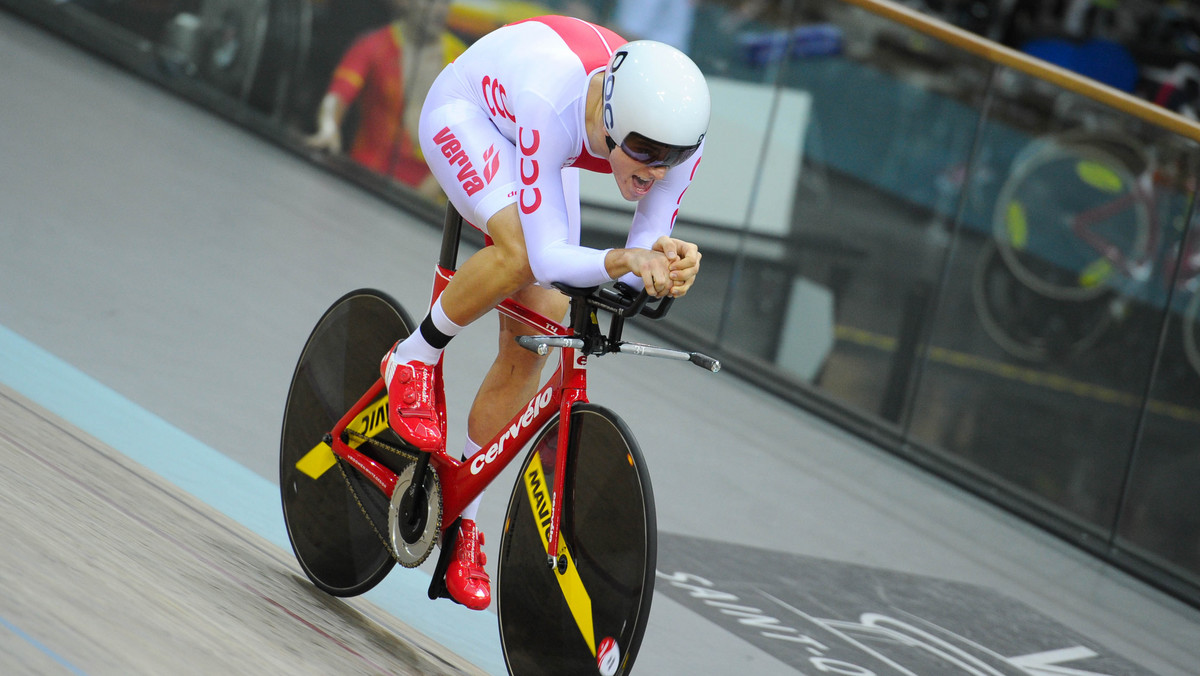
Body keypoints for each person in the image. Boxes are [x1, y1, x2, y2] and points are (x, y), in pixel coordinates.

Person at [379, 15, 710, 610]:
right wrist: (623, 258)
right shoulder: (552, 96)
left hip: (541, 151)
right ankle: (413, 356)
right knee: (520, 254)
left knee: (537, 334)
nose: (656, 169)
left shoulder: (673, 138)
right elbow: (551, 255)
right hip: (471, 117)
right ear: (610, 118)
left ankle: (462, 519)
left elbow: (645, 249)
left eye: (672, 158)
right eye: (642, 151)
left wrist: (666, 264)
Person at [307, 0, 461, 199]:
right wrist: (328, 127)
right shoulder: (374, 45)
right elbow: (339, 93)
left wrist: (440, 182)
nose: (439, 10)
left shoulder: (462, 59)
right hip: (366, 181)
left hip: (429, 198)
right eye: (430, 2)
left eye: (445, 3)